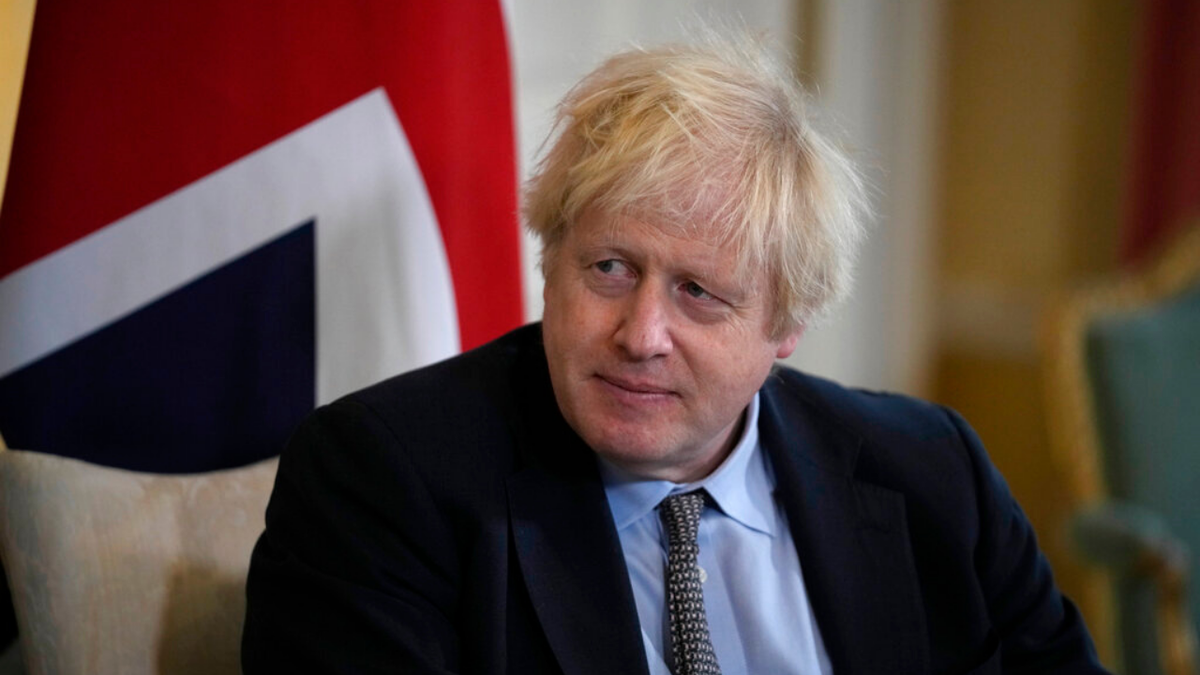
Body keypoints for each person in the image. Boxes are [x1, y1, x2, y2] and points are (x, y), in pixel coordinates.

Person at [242, 36, 1109, 675]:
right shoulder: (384, 479)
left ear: (787, 324)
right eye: (611, 268)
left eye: (699, 292)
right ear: (550, 259)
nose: (641, 334)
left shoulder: (932, 474)